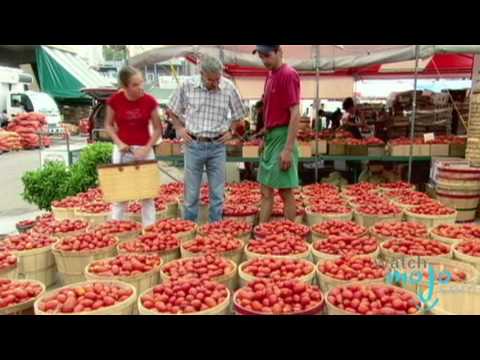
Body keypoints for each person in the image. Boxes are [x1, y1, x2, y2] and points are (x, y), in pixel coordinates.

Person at [167, 55, 247, 223]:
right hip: (193, 145)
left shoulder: (228, 87)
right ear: (201, 73)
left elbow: (240, 117)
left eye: (218, 79)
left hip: (217, 146)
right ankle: (189, 228)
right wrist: (179, 128)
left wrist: (231, 132)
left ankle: (215, 228)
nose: (216, 83)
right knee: (191, 194)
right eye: (211, 80)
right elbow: (171, 110)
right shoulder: (187, 85)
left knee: (217, 194)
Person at [105, 65, 163, 228]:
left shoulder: (150, 101)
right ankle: (116, 228)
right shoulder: (114, 101)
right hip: (123, 150)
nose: (140, 88)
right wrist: (119, 143)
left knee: (147, 194)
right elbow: (108, 125)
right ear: (125, 86)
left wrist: (146, 148)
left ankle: (149, 230)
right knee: (121, 193)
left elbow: (158, 128)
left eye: (141, 83)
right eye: (135, 85)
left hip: (145, 150)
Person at [253, 45, 301, 223]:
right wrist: (265, 134)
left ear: (279, 52)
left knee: (285, 190)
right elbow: (270, 109)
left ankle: (291, 233)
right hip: (272, 137)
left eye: (267, 55)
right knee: (265, 190)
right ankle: (262, 229)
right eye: (261, 56)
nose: (264, 60)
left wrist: (288, 149)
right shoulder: (270, 75)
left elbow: (295, 113)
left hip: (282, 137)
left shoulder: (288, 74)